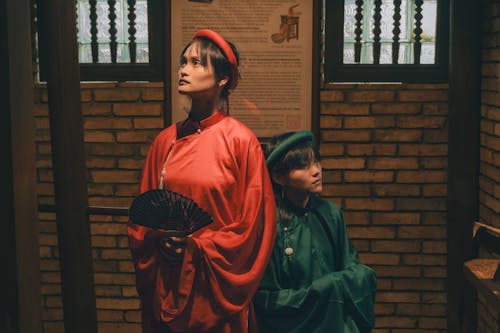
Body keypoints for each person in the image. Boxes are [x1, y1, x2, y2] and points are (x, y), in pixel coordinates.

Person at [128, 29, 277, 333]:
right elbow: (141, 220)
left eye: (196, 63)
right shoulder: (165, 141)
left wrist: (197, 246)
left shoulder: (241, 141)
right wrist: (160, 238)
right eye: (183, 62)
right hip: (169, 280)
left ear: (223, 78)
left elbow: (254, 226)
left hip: (216, 286)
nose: (184, 69)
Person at [253, 131, 377, 333]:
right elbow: (267, 298)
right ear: (278, 177)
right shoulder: (268, 223)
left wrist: (335, 284)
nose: (316, 171)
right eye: (304, 166)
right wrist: (323, 289)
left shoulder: (331, 214)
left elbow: (352, 269)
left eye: (317, 162)